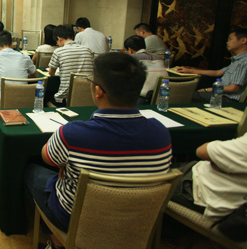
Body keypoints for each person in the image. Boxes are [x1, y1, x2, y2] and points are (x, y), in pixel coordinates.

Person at [25, 52, 172, 249]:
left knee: (31, 171)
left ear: (98, 91)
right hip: (137, 221)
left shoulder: (72, 133)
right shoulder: (161, 133)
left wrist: (65, 165)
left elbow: (47, 157)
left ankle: (57, 241)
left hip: (74, 219)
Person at [171, 134, 247, 220]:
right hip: (228, 200)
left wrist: (220, 161)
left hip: (201, 192)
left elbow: (202, 151)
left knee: (158, 175)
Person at [177, 28, 247, 105]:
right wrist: (191, 70)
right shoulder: (238, 60)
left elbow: (233, 88)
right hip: (222, 95)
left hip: (227, 99)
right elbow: (217, 72)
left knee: (186, 95)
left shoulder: (243, 62)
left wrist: (207, 90)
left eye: (230, 39)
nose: (227, 42)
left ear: (243, 40)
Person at [0, 30, 37, 108]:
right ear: (12, 44)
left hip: (3, 104)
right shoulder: (25, 57)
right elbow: (35, 75)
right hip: (24, 103)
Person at [48, 25, 94, 106]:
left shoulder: (59, 51)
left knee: (46, 97)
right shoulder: (87, 50)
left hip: (65, 99)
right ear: (72, 36)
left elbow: (51, 73)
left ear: (59, 39)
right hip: (88, 97)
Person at [124, 35, 167, 103]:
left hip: (142, 99)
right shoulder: (158, 57)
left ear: (130, 50)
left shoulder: (131, 58)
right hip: (163, 96)